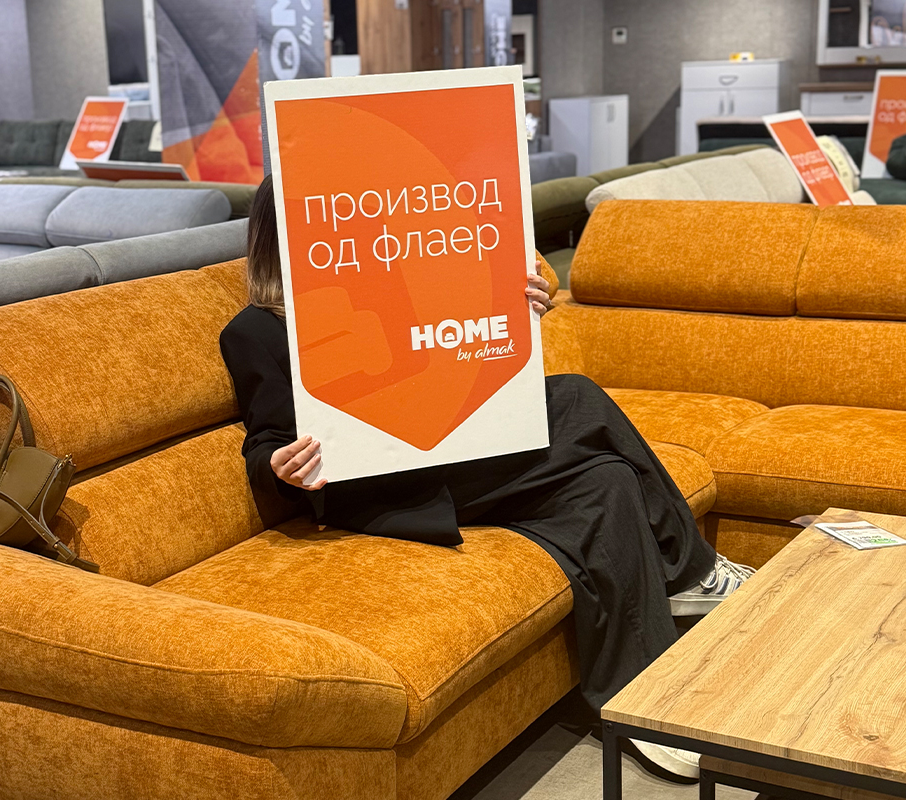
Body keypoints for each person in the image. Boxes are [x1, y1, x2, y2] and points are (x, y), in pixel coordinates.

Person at [219, 175, 754, 783]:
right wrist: (281, 466)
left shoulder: (393, 290)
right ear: (285, 235)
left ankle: (636, 707)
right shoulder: (254, 330)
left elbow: (468, 362)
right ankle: (689, 569)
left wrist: (516, 311)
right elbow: (264, 442)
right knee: (578, 400)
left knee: (606, 481)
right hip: (381, 485)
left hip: (456, 450)